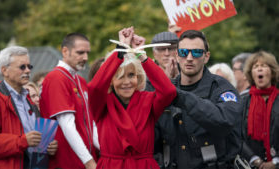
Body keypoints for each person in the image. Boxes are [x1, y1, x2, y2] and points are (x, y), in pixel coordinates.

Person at [88, 27, 177, 169]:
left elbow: (168, 91)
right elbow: (94, 87)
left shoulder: (148, 100)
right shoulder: (102, 104)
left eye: (131, 75)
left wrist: (142, 56)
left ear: (138, 77)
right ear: (110, 80)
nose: (127, 82)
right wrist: (121, 49)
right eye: (119, 76)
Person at [153, 30, 243, 169]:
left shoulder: (221, 87)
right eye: (184, 52)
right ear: (176, 56)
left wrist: (179, 96)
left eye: (196, 52)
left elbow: (225, 121)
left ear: (206, 56)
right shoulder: (166, 91)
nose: (189, 58)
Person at [0, 46, 58, 169]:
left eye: (29, 66)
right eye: (22, 67)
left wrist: (49, 147)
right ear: (5, 70)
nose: (27, 71)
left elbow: (36, 141)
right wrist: (21, 141)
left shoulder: (28, 99)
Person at [39, 33, 98, 169]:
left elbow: (90, 123)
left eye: (87, 53)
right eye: (80, 52)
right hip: (67, 162)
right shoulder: (56, 78)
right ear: (65, 51)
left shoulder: (80, 81)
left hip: (85, 160)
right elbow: (67, 125)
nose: (86, 58)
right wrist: (89, 162)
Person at [241, 51, 279, 169]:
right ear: (251, 74)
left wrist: (276, 162)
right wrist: (254, 159)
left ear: (272, 72)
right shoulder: (242, 101)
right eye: (255, 67)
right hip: (249, 164)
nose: (259, 69)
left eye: (264, 66)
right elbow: (236, 134)